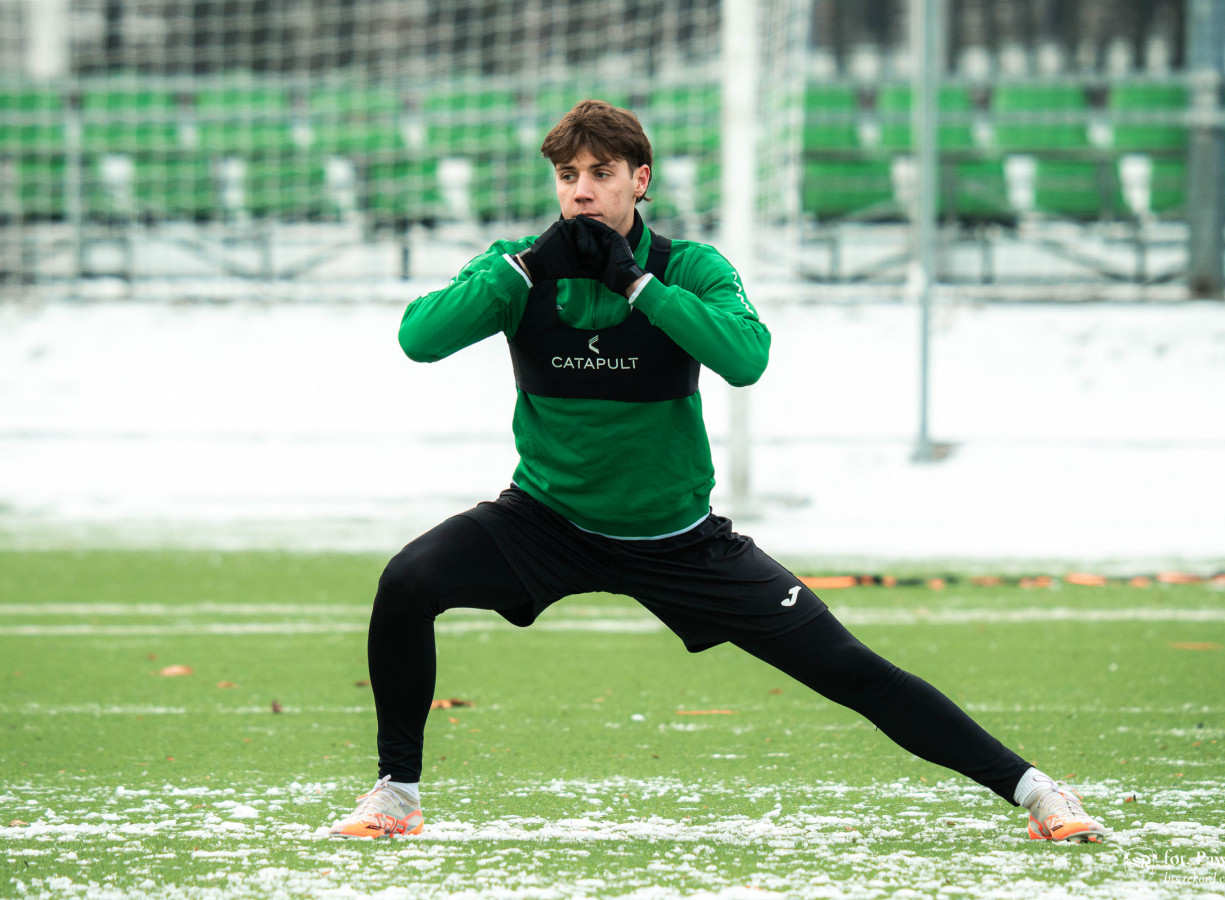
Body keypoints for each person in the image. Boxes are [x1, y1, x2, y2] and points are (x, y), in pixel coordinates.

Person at [327, 99, 1107, 844]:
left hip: (676, 538)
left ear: (640, 180)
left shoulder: (688, 268)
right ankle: (398, 794)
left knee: (848, 668)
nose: (581, 192)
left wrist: (639, 287)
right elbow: (418, 339)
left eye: (600, 173)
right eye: (567, 176)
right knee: (408, 582)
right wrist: (526, 269)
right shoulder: (519, 268)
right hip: (545, 522)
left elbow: (746, 360)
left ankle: (1037, 792)